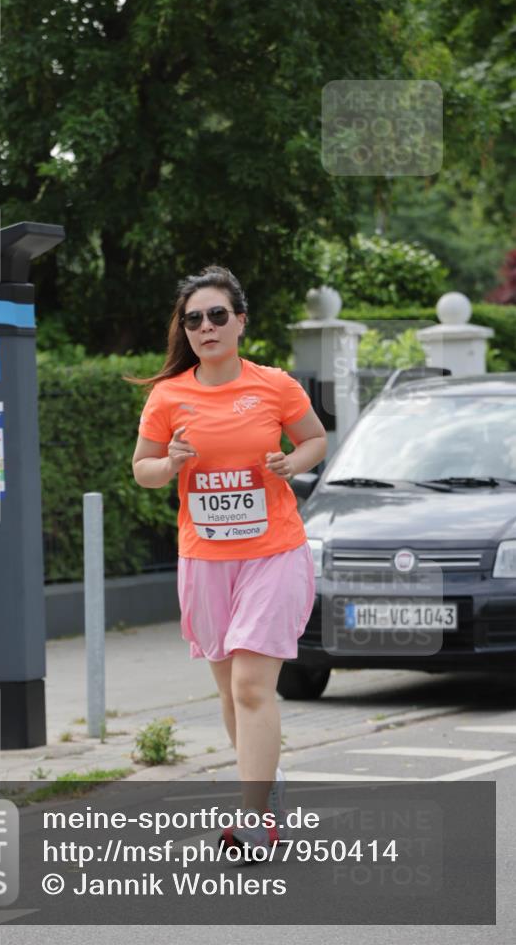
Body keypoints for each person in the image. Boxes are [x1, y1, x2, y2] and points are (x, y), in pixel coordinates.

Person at [128, 265, 327, 856]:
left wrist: (296, 463)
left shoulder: (275, 386)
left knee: (249, 685)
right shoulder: (169, 396)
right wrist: (171, 465)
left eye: (218, 315)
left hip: (273, 553)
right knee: (227, 685)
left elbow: (315, 438)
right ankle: (266, 784)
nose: (206, 326)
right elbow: (142, 470)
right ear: (184, 330)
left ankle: (252, 819)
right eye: (194, 319)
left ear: (240, 320)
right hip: (206, 558)